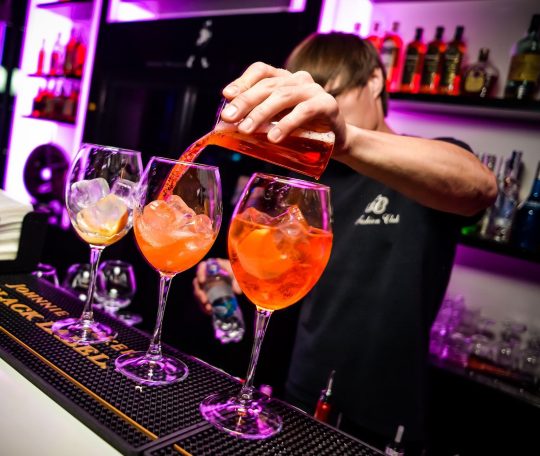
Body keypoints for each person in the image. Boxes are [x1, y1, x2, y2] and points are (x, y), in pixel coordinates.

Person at [193, 32, 497, 453]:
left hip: (383, 413)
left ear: (374, 81)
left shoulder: (423, 164)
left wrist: (346, 138)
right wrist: (238, 274)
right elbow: (287, 264)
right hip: (299, 391)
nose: (319, 114)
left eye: (330, 97)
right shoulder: (307, 180)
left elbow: (479, 187)